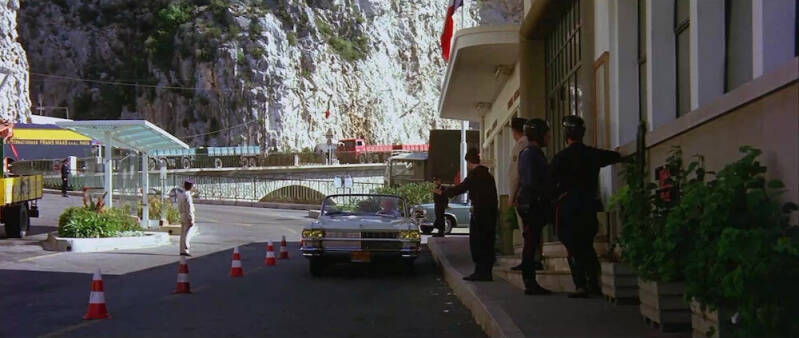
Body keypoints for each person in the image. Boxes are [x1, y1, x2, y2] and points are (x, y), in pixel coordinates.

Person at [550, 115, 621, 298]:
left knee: (572, 247)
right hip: (587, 204)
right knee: (587, 245)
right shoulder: (592, 154)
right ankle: (594, 283)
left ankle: (580, 284)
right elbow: (614, 157)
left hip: (567, 205)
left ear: (566, 135)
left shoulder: (560, 158)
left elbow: (549, 184)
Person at [435, 148, 498, 281]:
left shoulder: (474, 175)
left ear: (469, 162)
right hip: (491, 213)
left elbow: (461, 188)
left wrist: (444, 192)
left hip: (479, 213)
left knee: (477, 243)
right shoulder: (489, 176)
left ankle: (480, 272)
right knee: (488, 243)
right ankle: (487, 272)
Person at [517, 118, 553, 295]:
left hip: (530, 203)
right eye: (546, 133)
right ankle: (530, 282)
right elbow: (532, 181)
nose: (549, 137)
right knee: (531, 243)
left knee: (532, 242)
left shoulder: (530, 152)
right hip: (532, 204)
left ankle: (530, 280)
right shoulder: (531, 153)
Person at [507, 118, 528, 271]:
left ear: (515, 131)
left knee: (525, 231)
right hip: (528, 193)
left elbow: (515, 174)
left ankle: (528, 260)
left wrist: (511, 196)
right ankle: (532, 258)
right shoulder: (531, 144)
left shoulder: (520, 146)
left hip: (522, 194)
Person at [177, 178, 197, 257]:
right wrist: (191, 219)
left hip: (182, 214)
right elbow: (189, 208)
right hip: (187, 215)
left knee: (183, 233)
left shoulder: (181, 193)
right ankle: (185, 248)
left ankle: (182, 249)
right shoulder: (187, 195)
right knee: (187, 233)